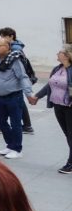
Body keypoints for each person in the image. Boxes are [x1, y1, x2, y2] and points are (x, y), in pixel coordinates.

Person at [28, 44, 72, 173]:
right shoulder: (57, 69)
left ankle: (70, 163)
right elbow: (50, 85)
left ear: (67, 55)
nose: (57, 54)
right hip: (58, 106)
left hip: (69, 107)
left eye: (59, 52)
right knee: (67, 134)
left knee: (71, 135)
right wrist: (37, 96)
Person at [0, 26, 36, 135]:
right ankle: (26, 126)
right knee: (19, 103)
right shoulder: (15, 46)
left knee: (15, 106)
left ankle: (23, 127)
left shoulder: (15, 49)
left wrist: (0, 66)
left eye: (4, 36)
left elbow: (11, 65)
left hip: (15, 81)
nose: (2, 38)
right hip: (13, 83)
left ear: (11, 36)